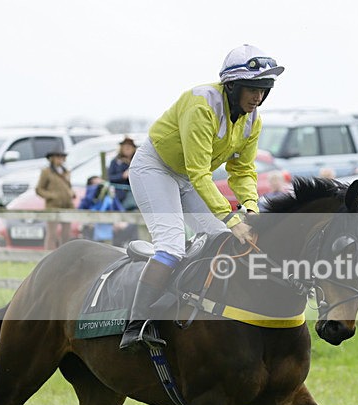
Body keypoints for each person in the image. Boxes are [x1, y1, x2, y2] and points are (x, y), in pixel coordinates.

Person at [120, 44, 284, 349]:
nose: (258, 97)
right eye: (252, 88)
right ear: (232, 86)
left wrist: (249, 208)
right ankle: (136, 324)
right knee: (170, 246)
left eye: (264, 89)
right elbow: (199, 172)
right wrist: (231, 217)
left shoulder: (252, 120)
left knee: (223, 238)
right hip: (155, 169)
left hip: (188, 176)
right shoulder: (202, 105)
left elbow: (243, 170)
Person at [35, 150, 75, 250]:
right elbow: (39, 189)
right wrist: (51, 195)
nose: (60, 159)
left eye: (62, 157)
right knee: (52, 234)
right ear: (51, 159)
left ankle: (65, 254)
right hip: (53, 206)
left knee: (66, 234)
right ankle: (49, 254)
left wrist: (71, 193)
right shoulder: (46, 172)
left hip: (67, 205)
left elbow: (68, 186)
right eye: (57, 157)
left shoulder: (66, 171)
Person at [108, 137, 137, 208]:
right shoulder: (115, 161)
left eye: (129, 147)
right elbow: (110, 178)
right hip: (120, 195)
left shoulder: (137, 161)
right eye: (125, 147)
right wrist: (122, 176)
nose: (127, 149)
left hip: (136, 193)